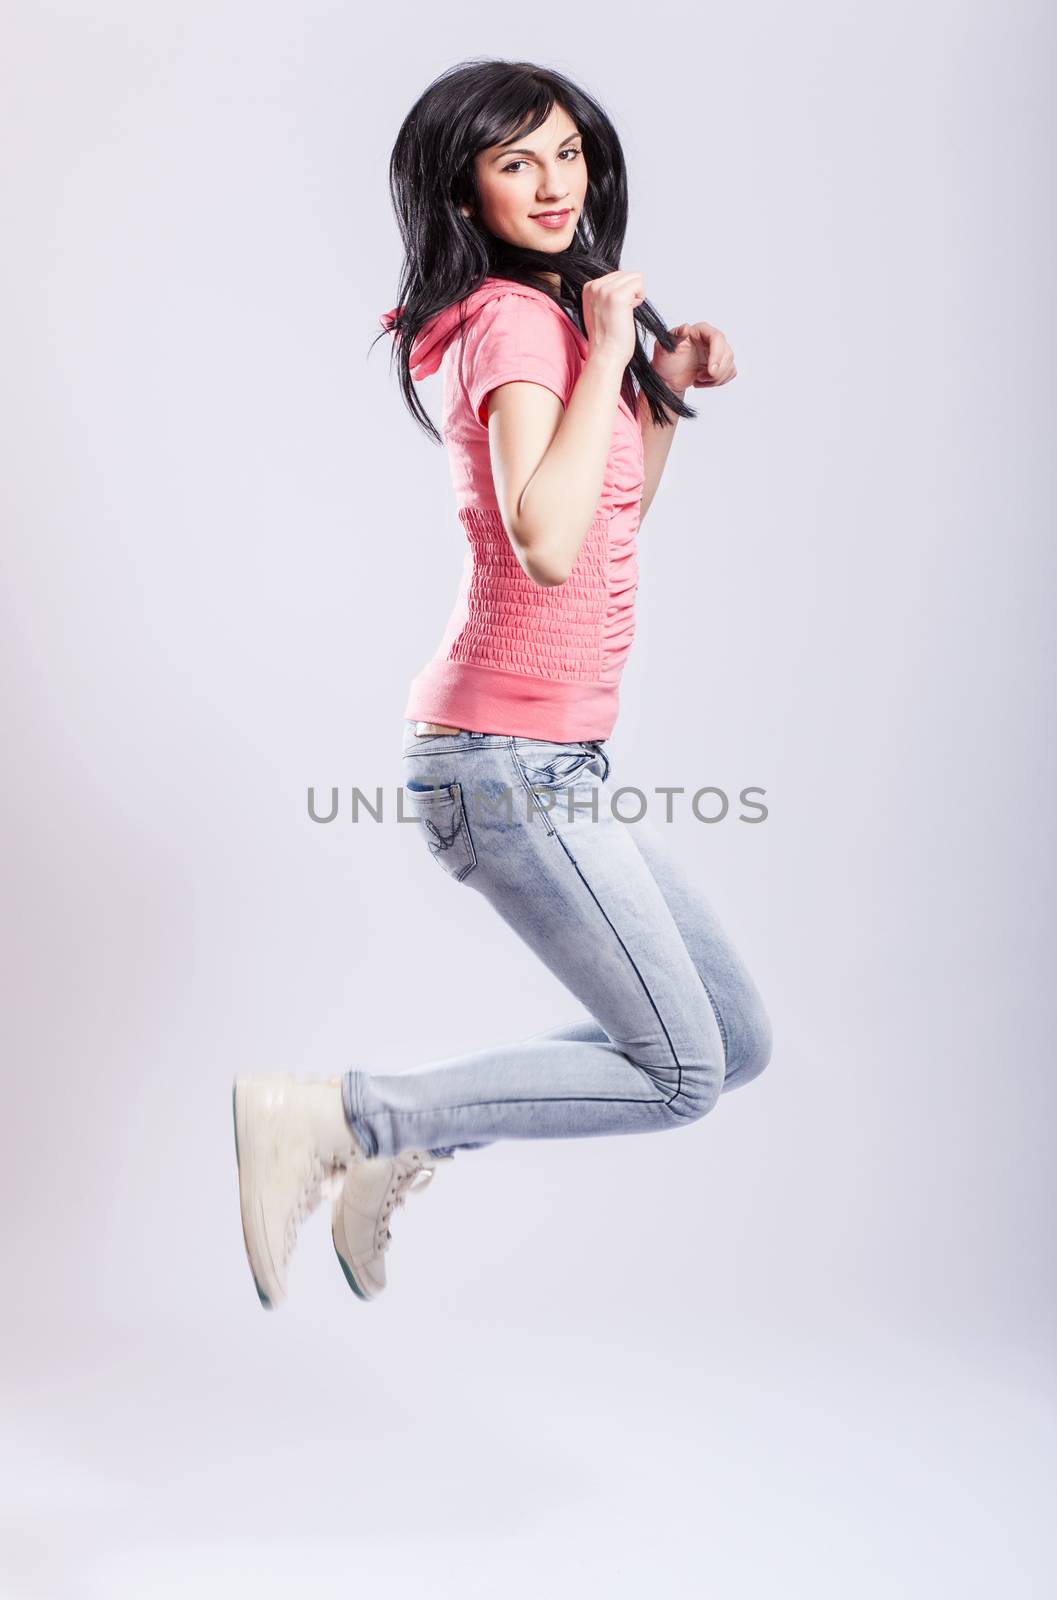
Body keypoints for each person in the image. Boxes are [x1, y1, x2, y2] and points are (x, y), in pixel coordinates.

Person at [233, 59, 773, 1311]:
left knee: (729, 1044)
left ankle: (401, 1130)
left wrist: (662, 398)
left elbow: (595, 531)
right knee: (679, 1073)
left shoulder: (539, 317)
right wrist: (600, 351)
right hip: (502, 761)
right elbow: (539, 538)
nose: (550, 183)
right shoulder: (519, 322)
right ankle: (349, 1118)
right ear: (463, 191)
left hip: (548, 760)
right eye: (513, 160)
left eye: (567, 154)